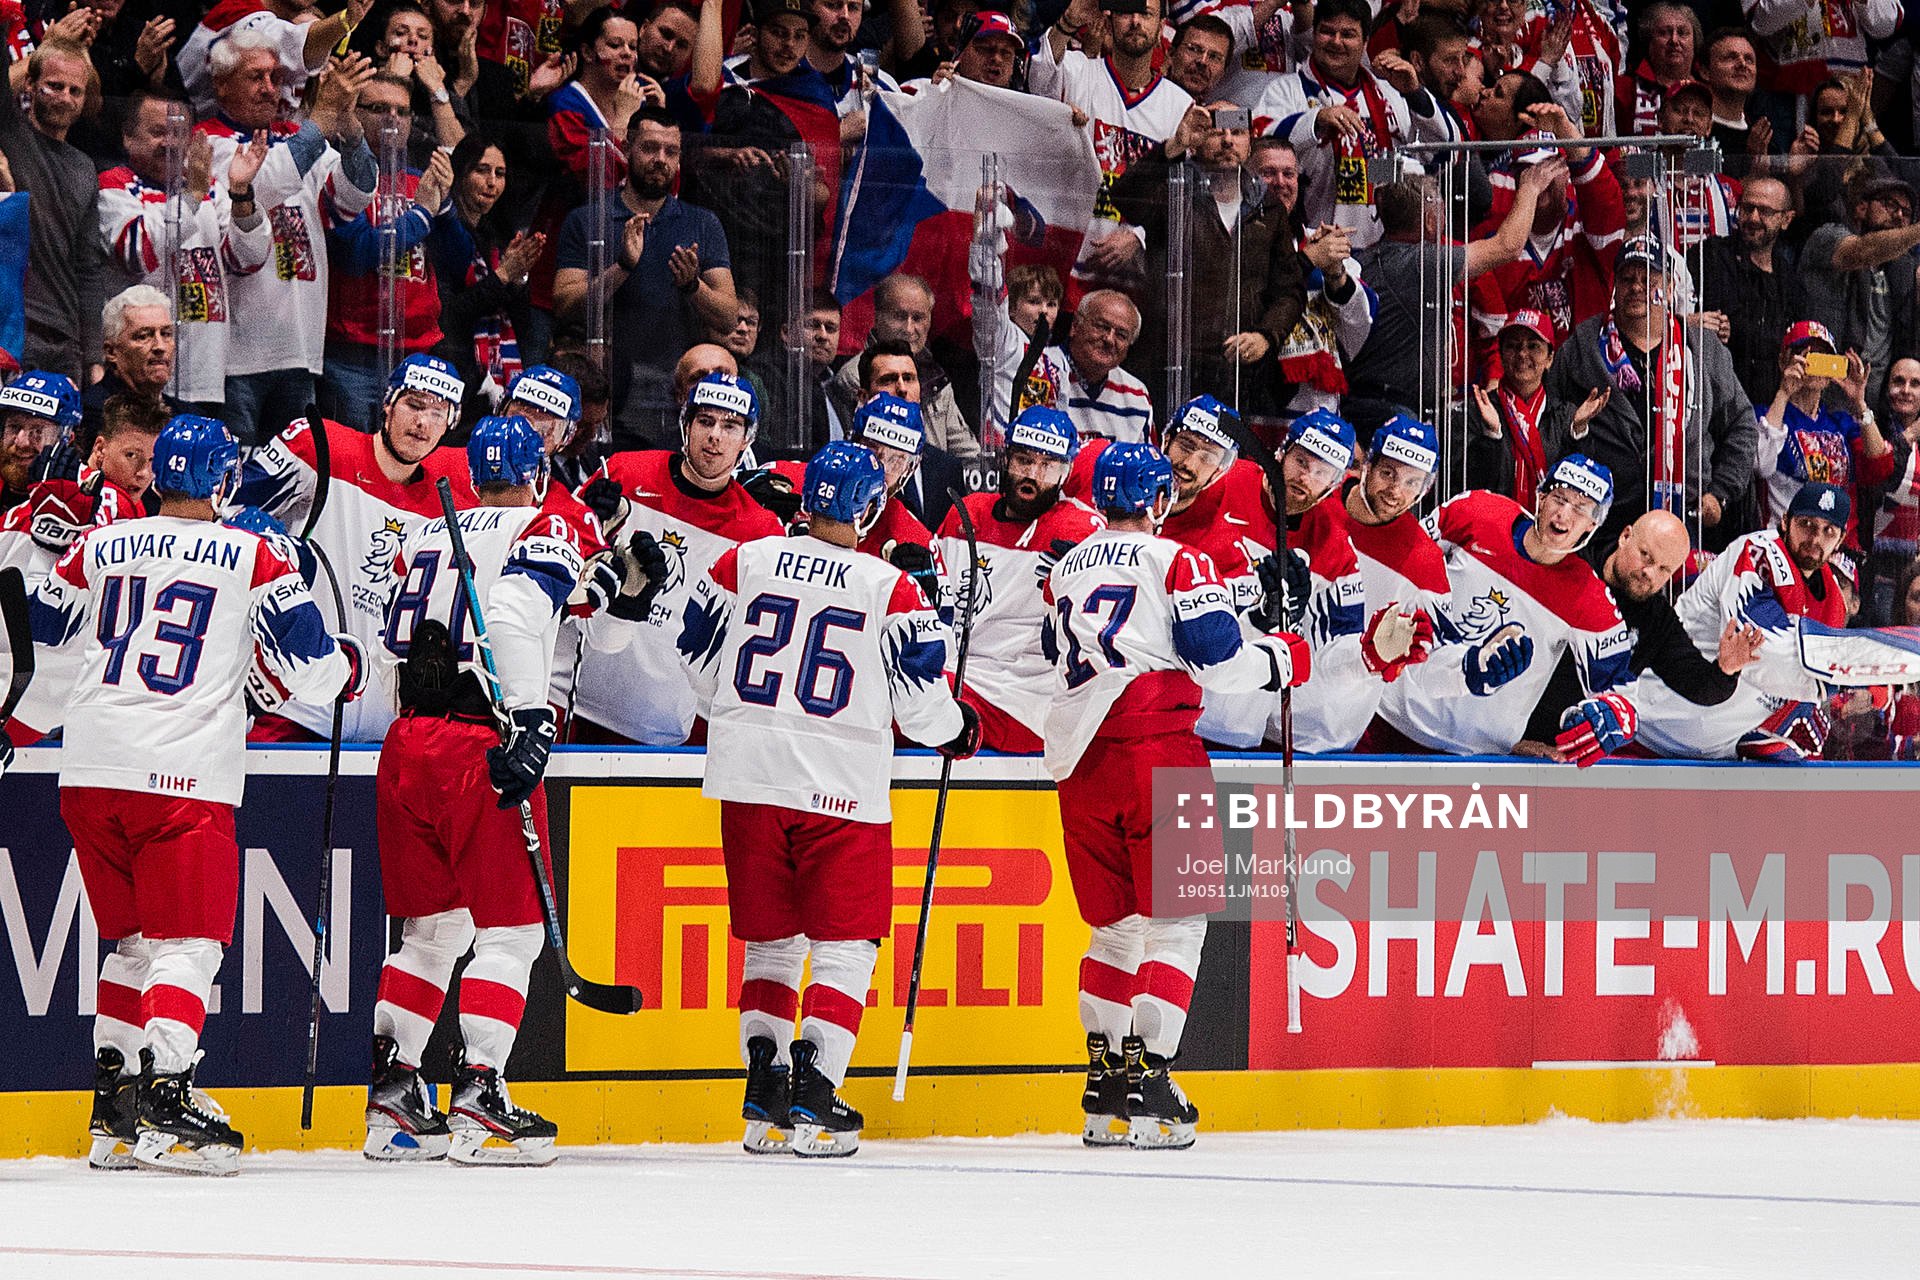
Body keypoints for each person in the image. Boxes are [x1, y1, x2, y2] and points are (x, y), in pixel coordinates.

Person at [30, 414, 358, 1175]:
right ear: (221, 479)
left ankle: (113, 1109)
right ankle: (169, 1098)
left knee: (134, 944)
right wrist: (349, 668)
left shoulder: (100, 542)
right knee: (188, 944)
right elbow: (311, 666)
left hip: (87, 770)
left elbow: (43, 626)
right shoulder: (252, 553)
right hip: (178, 778)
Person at [676, 440, 979, 1157]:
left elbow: (692, 655)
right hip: (841, 789)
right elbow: (920, 705)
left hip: (747, 782)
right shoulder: (889, 587)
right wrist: (959, 730)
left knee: (771, 947)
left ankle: (763, 1097)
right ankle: (815, 1096)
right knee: (846, 949)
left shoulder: (740, 559)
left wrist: (734, 715)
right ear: (870, 508)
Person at [1041, 440, 1308, 1149]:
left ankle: (1105, 1086)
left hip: (1080, 764)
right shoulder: (1180, 558)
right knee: (1178, 924)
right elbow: (1219, 663)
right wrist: (1284, 655)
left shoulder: (1066, 567)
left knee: (1116, 929)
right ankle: (1152, 1081)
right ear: (1158, 501)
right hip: (1157, 747)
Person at [368, 413, 616, 1166]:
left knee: (432, 932)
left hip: (409, 740)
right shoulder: (540, 525)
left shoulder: (420, 534)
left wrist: (604, 588)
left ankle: (394, 1100)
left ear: (474, 474)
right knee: (510, 933)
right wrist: (533, 720)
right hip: (481, 743)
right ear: (536, 473)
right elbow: (512, 609)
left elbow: (394, 639)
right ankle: (480, 1098)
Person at [231, 353, 474, 743]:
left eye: (438, 411)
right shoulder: (319, 447)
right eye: (413, 404)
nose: (422, 422)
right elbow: (227, 511)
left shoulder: (454, 499)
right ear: (389, 404)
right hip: (294, 706)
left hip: (387, 722)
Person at [1373, 455, 1634, 758]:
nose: (1563, 514)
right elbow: (1401, 560)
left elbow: (1621, 692)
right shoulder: (1477, 511)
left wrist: (1614, 714)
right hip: (1392, 714)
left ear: (1593, 523)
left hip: (1480, 753)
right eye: (1559, 498)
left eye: (1580, 508)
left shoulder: (1589, 599)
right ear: (1541, 496)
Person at [571, 372, 783, 744]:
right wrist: (585, 524)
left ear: (747, 440)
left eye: (730, 425)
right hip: (578, 702)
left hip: (667, 729)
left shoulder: (761, 531)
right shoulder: (622, 472)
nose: (715, 435)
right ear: (685, 424)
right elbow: (566, 554)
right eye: (705, 421)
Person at [1543, 237, 1756, 556]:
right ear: (1614, 287)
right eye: (1627, 279)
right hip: (1600, 522)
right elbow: (1550, 420)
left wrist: (1720, 493)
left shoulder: (1702, 348)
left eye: (1649, 279)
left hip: (1681, 518)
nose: (1637, 288)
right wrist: (1575, 428)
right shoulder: (1582, 347)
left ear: (1670, 289)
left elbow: (1743, 426)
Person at [1632, 481, 1855, 761]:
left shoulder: (1834, 601)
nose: (1814, 539)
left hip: (1716, 757)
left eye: (1828, 531)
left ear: (1841, 539)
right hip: (1648, 730)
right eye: (1807, 523)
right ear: (1785, 521)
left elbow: (1822, 672)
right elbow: (1762, 649)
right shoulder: (1756, 552)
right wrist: (1831, 684)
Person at [554, 105, 736, 446]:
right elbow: (564, 304)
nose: (661, 160)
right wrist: (621, 267)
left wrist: (693, 286)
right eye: (650, 148)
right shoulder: (588, 219)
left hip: (677, 387)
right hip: (606, 386)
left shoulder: (702, 223)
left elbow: (727, 316)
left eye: (671, 152)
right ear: (626, 149)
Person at [1520, 508, 1763, 754]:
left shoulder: (1656, 619)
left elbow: (1698, 685)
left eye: (1664, 569)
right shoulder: (1567, 562)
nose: (1649, 573)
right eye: (1646, 556)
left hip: (1564, 750)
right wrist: (1511, 737)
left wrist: (1726, 669)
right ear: (1625, 536)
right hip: (1502, 729)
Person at [934, 406, 1104, 753]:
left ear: (1065, 472)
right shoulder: (965, 514)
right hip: (955, 679)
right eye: (1024, 460)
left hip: (1022, 700)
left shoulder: (1081, 532)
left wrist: (1074, 580)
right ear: (1005, 457)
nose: (1033, 475)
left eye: (1048, 465)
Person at [97, 94, 272, 416]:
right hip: (143, 378)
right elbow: (136, 250)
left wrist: (241, 193)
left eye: (178, 133)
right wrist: (191, 195)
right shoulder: (114, 186)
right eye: (157, 131)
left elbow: (248, 259)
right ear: (128, 136)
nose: (170, 143)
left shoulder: (212, 190)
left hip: (210, 374)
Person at [1304, 414, 1449, 753]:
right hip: (1260, 711)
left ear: (1427, 488)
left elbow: (1432, 663)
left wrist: (1472, 670)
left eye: (1413, 483)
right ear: (1366, 464)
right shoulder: (1315, 497)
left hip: (1334, 732)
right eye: (1388, 473)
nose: (1396, 492)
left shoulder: (1425, 562)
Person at [1033, 0, 1194, 291]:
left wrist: (1140, 236)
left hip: (1134, 283)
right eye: (1125, 11)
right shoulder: (1078, 70)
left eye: (1146, 13)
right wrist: (1069, 20)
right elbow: (1038, 78)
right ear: (1108, 22)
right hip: (1064, 268)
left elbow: (1185, 199)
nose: (1135, 21)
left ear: (1160, 29)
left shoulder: (1180, 105)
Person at [1256, 0, 1443, 250]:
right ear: (1313, 34)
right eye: (1326, 31)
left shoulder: (1388, 92)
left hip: (1385, 249)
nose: (1336, 41)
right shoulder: (1286, 90)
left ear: (1365, 42)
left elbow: (1442, 150)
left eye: (1348, 34)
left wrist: (1415, 92)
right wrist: (1315, 121)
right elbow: (1258, 137)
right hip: (1313, 246)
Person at [0, 37, 106, 381]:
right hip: (14, 330)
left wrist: (93, 356)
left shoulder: (84, 167)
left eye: (75, 91)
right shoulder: (10, 134)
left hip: (65, 341)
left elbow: (88, 266)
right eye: (54, 86)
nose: (65, 98)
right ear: (29, 84)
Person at [1753, 321, 1893, 549]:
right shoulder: (1767, 415)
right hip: (1785, 547)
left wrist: (1859, 403)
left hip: (1840, 551)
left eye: (1825, 358)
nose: (1814, 364)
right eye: (1806, 355)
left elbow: (1880, 468)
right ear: (1783, 361)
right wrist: (1784, 392)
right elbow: (1761, 465)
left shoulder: (1842, 423)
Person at [1801, 173, 1920, 409]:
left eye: (1906, 213)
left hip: (1878, 402)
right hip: (1823, 393)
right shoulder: (1827, 238)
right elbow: (1862, 251)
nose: (1898, 216)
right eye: (1890, 205)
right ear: (1861, 208)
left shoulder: (1904, 268)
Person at [1466, 309, 1611, 504]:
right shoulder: (1479, 410)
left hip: (1550, 528)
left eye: (1533, 346)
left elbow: (1577, 492)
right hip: (1494, 523)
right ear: (1501, 354)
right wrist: (1491, 435)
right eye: (1513, 346)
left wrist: (1578, 431)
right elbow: (1469, 484)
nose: (1522, 354)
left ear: (1550, 358)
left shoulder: (1566, 415)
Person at [830, 274, 980, 458]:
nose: (909, 329)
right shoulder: (855, 376)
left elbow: (967, 451)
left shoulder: (936, 378)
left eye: (918, 318)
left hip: (932, 482)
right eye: (900, 317)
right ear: (877, 317)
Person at [1700, 174, 1808, 410]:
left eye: (1765, 211)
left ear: (1786, 219)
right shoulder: (1711, 256)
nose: (1753, 218)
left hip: (1773, 409)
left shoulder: (1790, 281)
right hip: (1717, 405)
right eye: (1747, 208)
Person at [84, 287, 186, 434]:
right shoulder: (94, 414)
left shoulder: (189, 416)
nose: (160, 346)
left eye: (166, 334)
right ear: (111, 352)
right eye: (144, 336)